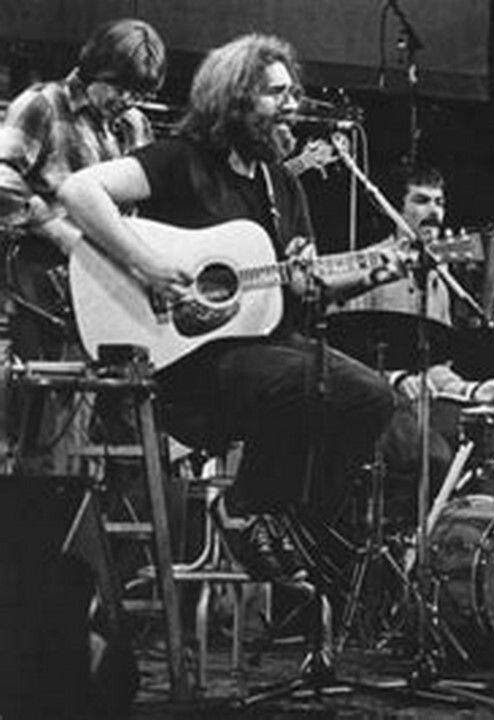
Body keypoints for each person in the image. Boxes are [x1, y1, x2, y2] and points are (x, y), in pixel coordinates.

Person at [56, 34, 398, 582]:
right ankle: (243, 509)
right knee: (305, 381)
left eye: (292, 93)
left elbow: (302, 288)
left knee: (373, 396)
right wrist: (147, 263)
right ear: (234, 99)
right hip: (186, 362)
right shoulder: (180, 161)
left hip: (266, 350)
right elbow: (79, 191)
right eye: (275, 94)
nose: (291, 105)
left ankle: (291, 523)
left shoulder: (282, 184)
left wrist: (368, 272)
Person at [0, 18, 166, 474]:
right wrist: (56, 228)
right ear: (95, 68)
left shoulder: (134, 125)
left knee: (111, 418)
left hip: (108, 284)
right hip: (43, 277)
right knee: (46, 417)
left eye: (138, 92)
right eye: (120, 87)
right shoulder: (42, 104)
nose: (127, 100)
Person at [353, 164, 494, 498]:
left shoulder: (439, 278)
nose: (434, 212)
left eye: (439, 202)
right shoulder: (364, 266)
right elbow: (345, 351)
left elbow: (435, 366)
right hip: (376, 403)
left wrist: (473, 391)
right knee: (435, 458)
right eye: (421, 201)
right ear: (395, 209)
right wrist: (396, 378)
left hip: (425, 405)